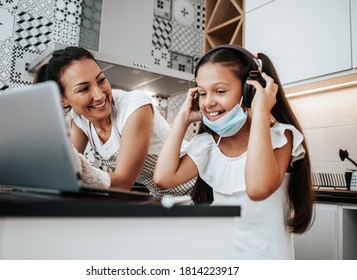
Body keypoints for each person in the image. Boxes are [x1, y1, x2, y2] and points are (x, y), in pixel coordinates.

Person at [153, 45, 314, 259]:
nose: (209, 101)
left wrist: (260, 112)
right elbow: (163, 178)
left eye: (220, 91)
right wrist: (182, 119)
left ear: (250, 91)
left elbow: (257, 189)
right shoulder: (208, 145)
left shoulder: (281, 138)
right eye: (202, 93)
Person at [34, 46, 194, 198]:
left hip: (199, 186)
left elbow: (123, 182)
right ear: (63, 100)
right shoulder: (79, 119)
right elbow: (68, 166)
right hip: (164, 195)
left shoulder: (135, 106)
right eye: (84, 89)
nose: (99, 95)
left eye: (101, 80)